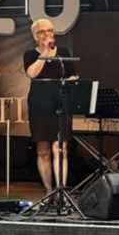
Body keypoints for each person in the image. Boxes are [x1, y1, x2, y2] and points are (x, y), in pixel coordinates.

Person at [23, 18, 78, 193]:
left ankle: (61, 190)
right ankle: (49, 191)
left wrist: (70, 80)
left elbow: (73, 75)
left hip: (60, 102)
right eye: (43, 31)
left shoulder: (63, 52)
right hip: (40, 104)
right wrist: (46, 52)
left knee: (60, 148)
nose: (48, 34)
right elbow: (32, 73)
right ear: (35, 36)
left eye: (50, 30)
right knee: (43, 150)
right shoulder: (30, 54)